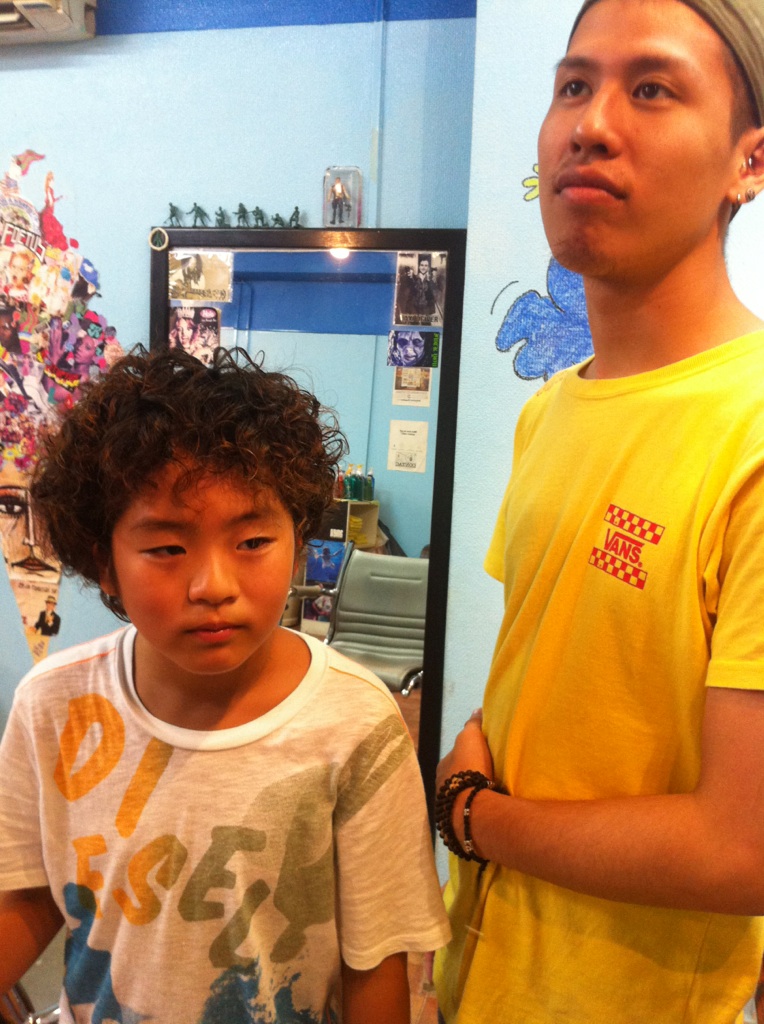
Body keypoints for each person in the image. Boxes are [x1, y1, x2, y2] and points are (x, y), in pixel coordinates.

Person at [434, 1, 764, 1022]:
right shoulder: (549, 411)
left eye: (651, 89)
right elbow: (555, 673)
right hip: (481, 980)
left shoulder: (751, 433)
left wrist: (474, 819)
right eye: (573, 86)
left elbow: (740, 848)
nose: (590, 124)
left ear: (748, 163)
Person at [0, 347, 449, 1023]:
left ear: (298, 546)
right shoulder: (52, 703)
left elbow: (375, 960)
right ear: (106, 563)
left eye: (252, 542)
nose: (213, 586)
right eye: (167, 548)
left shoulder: (356, 722)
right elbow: (35, 894)